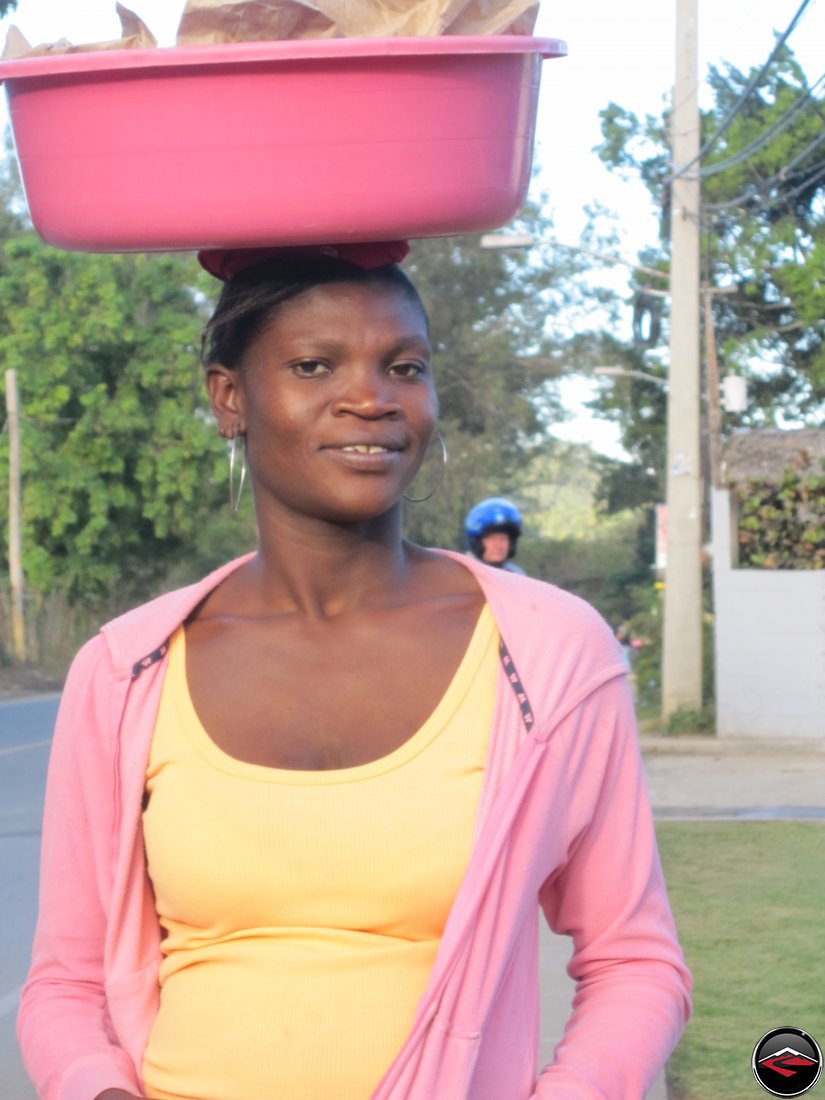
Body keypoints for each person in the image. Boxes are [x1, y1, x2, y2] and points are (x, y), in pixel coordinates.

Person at [18, 242, 691, 1100]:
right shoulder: (125, 669)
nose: (372, 398)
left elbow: (635, 961)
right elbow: (66, 986)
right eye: (312, 365)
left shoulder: (549, 655)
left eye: (404, 366)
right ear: (230, 399)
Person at [464, 496, 526, 573]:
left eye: (503, 539)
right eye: (492, 538)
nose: (498, 546)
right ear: (477, 541)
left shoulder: (516, 575)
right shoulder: (460, 573)